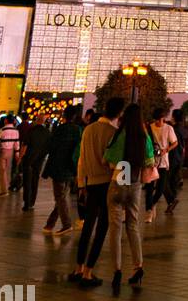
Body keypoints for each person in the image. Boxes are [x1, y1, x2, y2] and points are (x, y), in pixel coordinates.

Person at [71, 95, 124, 288]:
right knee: (102, 229)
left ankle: (78, 268)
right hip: (108, 183)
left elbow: (81, 159)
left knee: (88, 226)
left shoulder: (88, 129)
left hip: (90, 183)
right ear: (119, 113)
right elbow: (118, 163)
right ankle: (88, 272)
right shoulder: (114, 133)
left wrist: (81, 184)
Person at [104, 103, 154, 294]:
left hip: (118, 181)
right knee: (132, 226)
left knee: (115, 228)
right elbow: (150, 161)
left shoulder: (120, 134)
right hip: (134, 184)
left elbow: (108, 159)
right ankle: (138, 266)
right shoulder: (143, 137)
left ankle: (117, 270)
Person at [42, 105, 82, 234]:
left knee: (60, 197)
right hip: (71, 167)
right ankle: (50, 224)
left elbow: (51, 147)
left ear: (64, 115)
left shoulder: (60, 129)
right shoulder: (78, 130)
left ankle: (66, 224)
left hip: (59, 167)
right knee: (62, 196)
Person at [146, 108, 177, 222]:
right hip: (150, 161)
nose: (158, 122)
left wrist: (166, 150)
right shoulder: (150, 127)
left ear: (163, 118)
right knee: (149, 188)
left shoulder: (168, 128)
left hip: (163, 162)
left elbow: (175, 142)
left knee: (160, 189)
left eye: (160, 119)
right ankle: (149, 211)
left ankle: (152, 205)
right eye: (156, 120)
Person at [18, 112, 51, 211]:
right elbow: (48, 148)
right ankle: (32, 202)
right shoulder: (47, 132)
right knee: (35, 180)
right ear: (44, 121)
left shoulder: (31, 131)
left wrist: (20, 157)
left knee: (27, 181)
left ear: (37, 120)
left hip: (28, 160)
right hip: (39, 161)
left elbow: (25, 145)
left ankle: (27, 203)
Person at [0, 114, 20, 196]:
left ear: (6, 121)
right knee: (7, 170)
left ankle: (4, 191)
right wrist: (17, 153)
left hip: (3, 151)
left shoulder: (3, 130)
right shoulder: (16, 131)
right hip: (11, 151)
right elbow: (17, 143)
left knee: (1, 171)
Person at [166, 108, 188, 208]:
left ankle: (172, 200)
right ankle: (172, 201)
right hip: (180, 157)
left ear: (174, 117)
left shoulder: (173, 129)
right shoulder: (183, 130)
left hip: (172, 156)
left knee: (166, 180)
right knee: (174, 180)